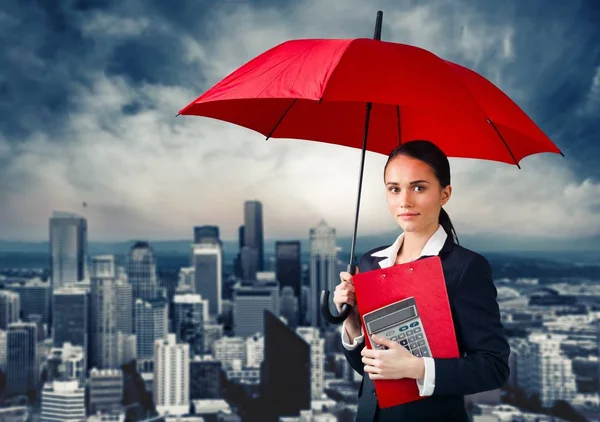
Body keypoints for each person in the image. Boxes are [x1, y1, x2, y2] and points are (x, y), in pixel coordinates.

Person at [334, 140, 510, 422]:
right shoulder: (370, 263)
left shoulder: (465, 268)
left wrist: (417, 368)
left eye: (419, 187)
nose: (405, 200)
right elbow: (371, 372)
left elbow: (494, 367)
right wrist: (352, 322)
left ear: (445, 193)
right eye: (394, 189)